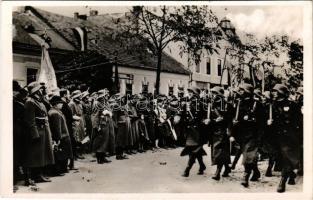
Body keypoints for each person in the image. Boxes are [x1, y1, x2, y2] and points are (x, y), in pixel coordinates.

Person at [270, 84, 301, 193]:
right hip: (276, 136)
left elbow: (298, 121)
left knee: (287, 156)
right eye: (273, 91)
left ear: (281, 92)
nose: (274, 93)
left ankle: (282, 181)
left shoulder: (292, 105)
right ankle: (291, 174)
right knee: (280, 157)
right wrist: (269, 123)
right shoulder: (272, 105)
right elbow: (269, 119)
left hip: (289, 136)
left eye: (276, 91)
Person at [24, 81, 55, 183]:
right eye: (40, 89)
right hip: (38, 130)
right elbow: (30, 120)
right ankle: (37, 175)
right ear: (36, 91)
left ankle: (40, 174)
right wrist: (34, 133)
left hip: (44, 130)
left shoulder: (39, 101)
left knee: (43, 154)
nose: (42, 90)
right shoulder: (30, 101)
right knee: (37, 155)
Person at [231, 83, 260, 188]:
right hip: (241, 135)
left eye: (242, 90)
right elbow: (235, 120)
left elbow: (261, 121)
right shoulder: (239, 103)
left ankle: (245, 176)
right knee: (248, 156)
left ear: (248, 91)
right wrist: (232, 134)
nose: (240, 92)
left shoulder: (257, 104)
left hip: (253, 135)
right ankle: (256, 172)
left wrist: (252, 120)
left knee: (248, 155)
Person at [180, 86, 207, 177]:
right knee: (194, 149)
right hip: (189, 130)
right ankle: (202, 166)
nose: (189, 93)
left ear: (196, 94)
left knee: (193, 150)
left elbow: (206, 116)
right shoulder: (186, 104)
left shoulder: (201, 104)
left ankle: (187, 169)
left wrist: (204, 121)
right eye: (189, 92)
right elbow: (182, 114)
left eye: (191, 92)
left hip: (198, 130)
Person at [208, 86, 232, 180]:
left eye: (214, 93)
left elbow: (230, 118)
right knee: (220, 152)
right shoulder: (212, 105)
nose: (213, 95)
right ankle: (227, 168)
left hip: (223, 131)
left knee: (220, 152)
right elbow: (209, 117)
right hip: (214, 131)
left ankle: (217, 172)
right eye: (212, 93)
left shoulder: (227, 105)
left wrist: (229, 130)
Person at [48, 96, 73, 175]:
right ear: (55, 104)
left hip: (63, 135)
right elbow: (57, 128)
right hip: (62, 136)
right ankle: (59, 170)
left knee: (63, 154)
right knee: (60, 154)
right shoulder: (55, 113)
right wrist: (58, 138)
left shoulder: (55, 111)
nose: (62, 104)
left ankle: (63, 169)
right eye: (60, 103)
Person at [13, 84, 29, 185]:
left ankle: (17, 175)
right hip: (18, 132)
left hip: (17, 131)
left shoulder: (17, 103)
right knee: (18, 154)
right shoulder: (18, 105)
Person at [60, 89, 78, 170]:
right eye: (68, 94)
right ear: (64, 95)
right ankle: (70, 165)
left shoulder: (64, 103)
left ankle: (70, 164)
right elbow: (68, 116)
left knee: (71, 145)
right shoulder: (63, 104)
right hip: (67, 127)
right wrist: (74, 119)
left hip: (67, 126)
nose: (69, 95)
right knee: (70, 145)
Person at [69, 90, 85, 159]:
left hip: (81, 122)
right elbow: (71, 115)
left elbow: (82, 113)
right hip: (75, 122)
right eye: (79, 96)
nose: (80, 97)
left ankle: (79, 152)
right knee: (76, 138)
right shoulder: (72, 104)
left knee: (81, 137)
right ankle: (75, 154)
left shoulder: (79, 103)